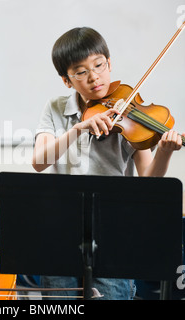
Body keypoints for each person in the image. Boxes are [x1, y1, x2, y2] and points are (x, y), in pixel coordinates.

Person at [32, 27, 184, 300]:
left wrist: (164, 152)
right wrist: (79, 127)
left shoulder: (130, 115)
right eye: (80, 72)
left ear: (109, 63)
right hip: (61, 228)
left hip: (114, 230)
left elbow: (148, 182)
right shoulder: (55, 107)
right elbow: (39, 162)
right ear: (67, 80)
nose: (94, 77)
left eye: (99, 65)